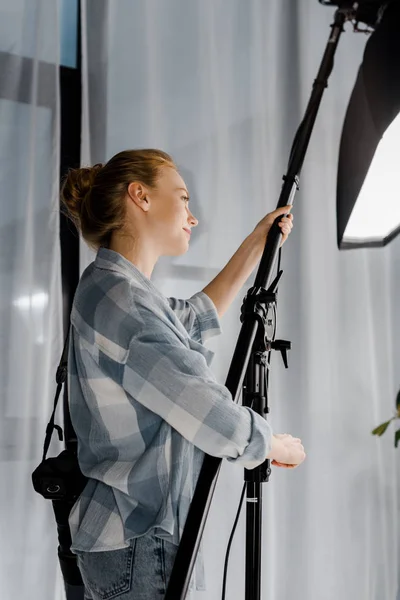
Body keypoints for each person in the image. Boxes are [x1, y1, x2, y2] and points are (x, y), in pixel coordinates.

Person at [61, 148, 305, 600]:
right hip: (140, 540)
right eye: (183, 198)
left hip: (129, 541)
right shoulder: (125, 302)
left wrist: (258, 242)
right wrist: (272, 443)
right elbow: (208, 411)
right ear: (141, 196)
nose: (193, 217)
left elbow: (190, 319)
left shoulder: (117, 291)